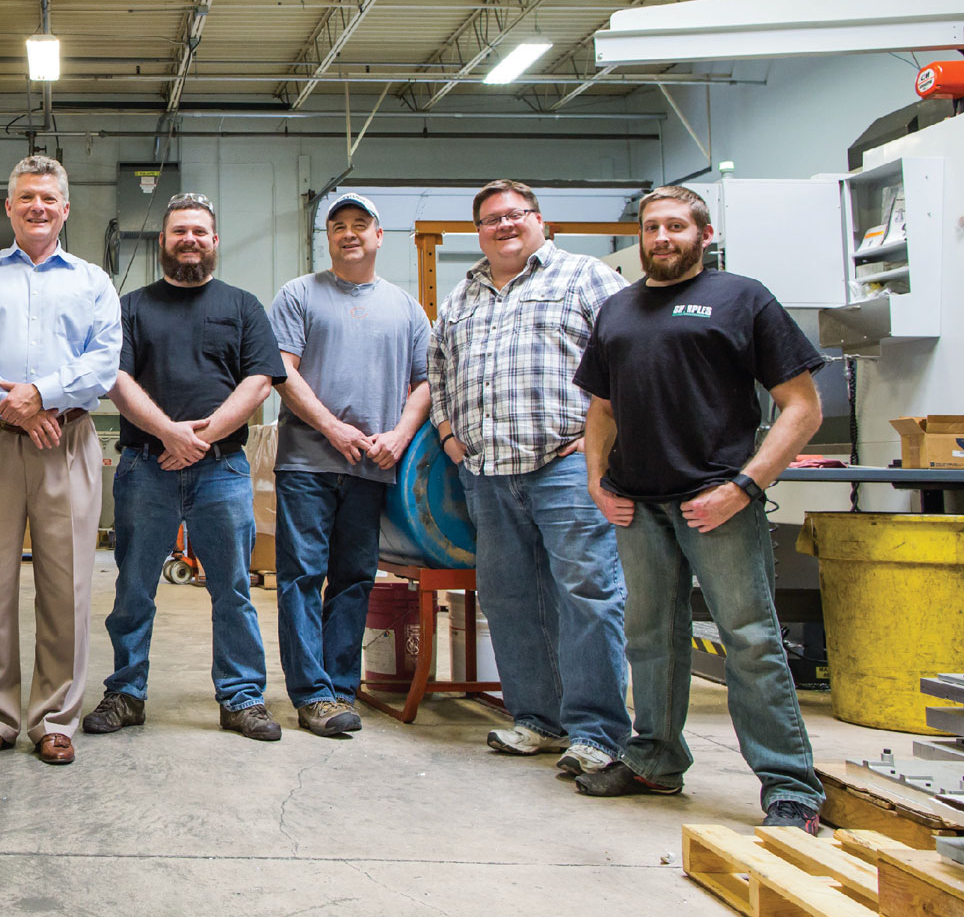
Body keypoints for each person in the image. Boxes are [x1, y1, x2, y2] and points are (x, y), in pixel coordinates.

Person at [573, 184, 826, 831]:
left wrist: (744, 487)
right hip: (637, 506)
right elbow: (601, 411)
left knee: (750, 642)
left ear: (703, 235)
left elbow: (803, 407)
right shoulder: (617, 310)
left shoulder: (743, 299)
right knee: (650, 639)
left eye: (676, 227)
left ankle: (790, 785)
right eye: (651, 227)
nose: (662, 238)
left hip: (717, 502)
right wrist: (599, 480)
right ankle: (654, 758)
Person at [428, 180, 630, 776]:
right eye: (491, 219)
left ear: (539, 220)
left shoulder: (584, 277)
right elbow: (439, 370)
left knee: (587, 594)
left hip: (567, 464)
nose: (503, 225)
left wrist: (602, 444)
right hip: (487, 472)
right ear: (478, 231)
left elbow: (629, 359)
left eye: (515, 215)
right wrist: (447, 434)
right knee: (510, 600)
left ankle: (598, 732)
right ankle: (537, 720)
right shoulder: (462, 295)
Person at [84, 193, 287, 742]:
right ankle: (126, 692)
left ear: (214, 242)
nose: (190, 240)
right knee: (133, 588)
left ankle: (241, 698)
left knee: (233, 588)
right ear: (163, 243)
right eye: (179, 232)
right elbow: (115, 381)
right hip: (146, 467)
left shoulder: (244, 307)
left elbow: (260, 380)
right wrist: (169, 433)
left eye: (200, 231)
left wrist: (202, 436)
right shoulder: (131, 307)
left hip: (222, 470)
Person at [0, 155, 120, 766]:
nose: (38, 207)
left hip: (65, 439)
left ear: (65, 209)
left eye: (49, 198)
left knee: (66, 584)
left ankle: (55, 717)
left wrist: (42, 396)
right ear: (9, 208)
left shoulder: (93, 281)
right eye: (26, 198)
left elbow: (103, 362)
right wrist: (14, 405)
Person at [267, 193, 431, 737]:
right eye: (338, 226)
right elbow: (282, 372)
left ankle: (340, 687)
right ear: (328, 238)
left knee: (355, 578)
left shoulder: (406, 308)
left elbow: (426, 381)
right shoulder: (299, 295)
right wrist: (331, 427)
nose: (350, 233)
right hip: (308, 465)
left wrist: (401, 436)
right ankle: (311, 693)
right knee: (302, 576)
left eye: (361, 225)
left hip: (372, 466)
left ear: (380, 237)